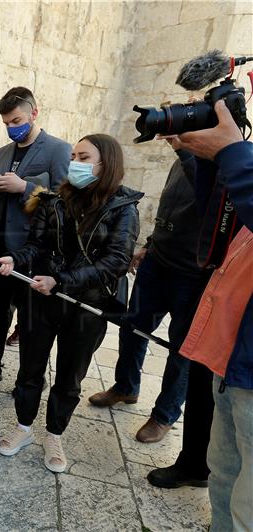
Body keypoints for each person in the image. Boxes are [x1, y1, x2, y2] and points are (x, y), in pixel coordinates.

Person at [0, 133, 141, 472]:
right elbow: (37, 245)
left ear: (107, 164)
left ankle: (54, 433)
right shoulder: (53, 199)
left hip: (86, 307)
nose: (75, 162)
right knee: (29, 370)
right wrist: (15, 259)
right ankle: (24, 428)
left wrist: (63, 280)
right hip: (41, 298)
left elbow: (116, 261)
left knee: (70, 378)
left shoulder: (123, 208)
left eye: (84, 157)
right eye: (73, 155)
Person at [88, 144, 207, 443]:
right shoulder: (182, 162)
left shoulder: (220, 163)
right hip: (157, 264)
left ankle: (164, 415)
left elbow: (212, 203)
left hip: (192, 275)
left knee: (181, 349)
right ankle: (126, 387)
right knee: (133, 328)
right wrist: (150, 245)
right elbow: (173, 212)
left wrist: (184, 149)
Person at [173, 101, 253, 529]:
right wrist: (209, 159)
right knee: (223, 474)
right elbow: (223, 216)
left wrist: (234, 152)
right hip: (232, 360)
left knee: (249, 505)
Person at [0, 87, 70, 382]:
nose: (11, 128)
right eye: (6, 123)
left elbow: (64, 200)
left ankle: (30, 378)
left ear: (34, 113)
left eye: (16, 121)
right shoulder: (2, 153)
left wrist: (25, 188)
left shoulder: (58, 149)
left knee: (31, 319)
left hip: (33, 249)